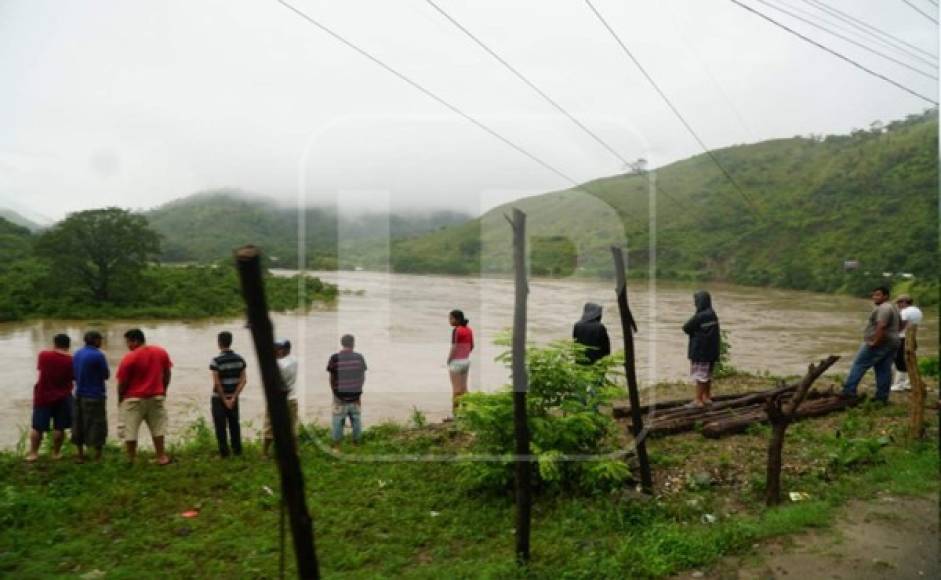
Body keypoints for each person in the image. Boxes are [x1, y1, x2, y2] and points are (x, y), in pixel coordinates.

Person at [116, 328, 173, 464]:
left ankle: (131, 459)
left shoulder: (129, 358)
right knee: (158, 428)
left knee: (131, 430)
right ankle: (161, 457)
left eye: (128, 343)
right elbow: (167, 373)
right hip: (156, 396)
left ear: (135, 341)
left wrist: (120, 399)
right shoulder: (161, 352)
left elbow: (122, 382)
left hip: (134, 399)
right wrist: (164, 390)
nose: (128, 346)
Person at [842, 286, 900, 403]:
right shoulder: (893, 307)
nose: (874, 297)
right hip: (892, 342)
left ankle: (848, 392)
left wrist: (875, 341)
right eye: (873, 295)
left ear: (886, 296)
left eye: (878, 295)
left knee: (859, 364)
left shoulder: (884, 308)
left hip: (880, 343)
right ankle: (881, 398)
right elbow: (902, 323)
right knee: (883, 369)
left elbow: (881, 325)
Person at [26, 334, 74, 462]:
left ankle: (33, 454)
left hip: (43, 396)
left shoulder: (44, 355)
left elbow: (41, 369)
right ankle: (56, 453)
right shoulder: (71, 361)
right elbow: (74, 377)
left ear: (55, 343)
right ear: (68, 345)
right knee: (59, 427)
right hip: (63, 397)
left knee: (37, 427)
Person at [72, 330, 110, 463]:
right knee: (97, 424)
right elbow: (106, 375)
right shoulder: (98, 355)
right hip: (95, 395)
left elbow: (73, 374)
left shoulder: (77, 354)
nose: (101, 342)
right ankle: (97, 456)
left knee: (79, 423)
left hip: (79, 394)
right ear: (95, 340)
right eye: (100, 340)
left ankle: (80, 455)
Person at [209, 331, 247, 457]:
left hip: (219, 399)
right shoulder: (240, 359)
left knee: (220, 427)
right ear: (231, 341)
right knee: (234, 424)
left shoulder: (216, 361)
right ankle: (237, 451)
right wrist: (234, 397)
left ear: (219, 343)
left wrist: (225, 400)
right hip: (233, 398)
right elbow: (243, 380)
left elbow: (217, 383)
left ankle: (224, 453)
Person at [682, 290, 721, 407]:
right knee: (707, 375)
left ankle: (698, 400)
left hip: (701, 351)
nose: (695, 303)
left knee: (700, 376)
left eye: (696, 301)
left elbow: (686, 328)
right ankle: (706, 397)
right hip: (711, 351)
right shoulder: (712, 314)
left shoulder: (700, 316)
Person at [327, 334, 367, 444]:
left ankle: (336, 445)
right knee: (356, 420)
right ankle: (357, 443)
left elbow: (331, 378)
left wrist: (335, 393)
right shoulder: (359, 357)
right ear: (353, 343)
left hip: (339, 396)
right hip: (355, 395)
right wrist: (358, 392)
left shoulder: (334, 358)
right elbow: (362, 377)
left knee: (337, 421)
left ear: (342, 343)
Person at [263, 338, 299, 457]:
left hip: (278, 400)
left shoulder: (279, 364)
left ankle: (265, 453)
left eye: (278, 348)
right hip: (292, 398)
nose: (275, 350)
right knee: (292, 426)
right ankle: (295, 452)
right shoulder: (295, 360)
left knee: (269, 425)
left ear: (284, 350)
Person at [891, 294, 923, 392]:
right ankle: (909, 383)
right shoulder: (918, 310)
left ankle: (898, 385)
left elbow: (901, 326)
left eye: (899, 302)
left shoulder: (904, 312)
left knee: (899, 361)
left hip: (902, 339)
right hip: (912, 338)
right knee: (910, 360)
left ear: (904, 302)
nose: (898, 305)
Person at [446, 309, 474, 419]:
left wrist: (449, 359)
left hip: (456, 362)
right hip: (466, 361)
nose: (449, 321)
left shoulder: (456, 330)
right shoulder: (469, 330)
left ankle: (455, 416)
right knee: (464, 389)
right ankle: (467, 412)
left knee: (456, 390)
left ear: (457, 319)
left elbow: (454, 347)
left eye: (451, 318)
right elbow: (472, 346)